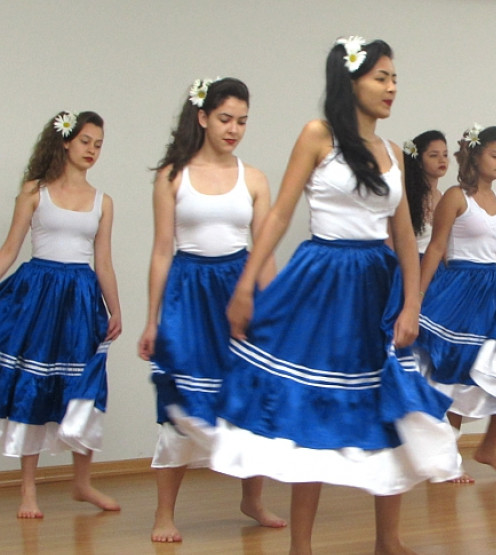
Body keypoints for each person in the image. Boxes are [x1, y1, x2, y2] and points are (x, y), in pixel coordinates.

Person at [212, 37, 461, 555]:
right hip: (323, 280)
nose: (392, 87)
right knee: (314, 403)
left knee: (386, 403)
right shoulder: (317, 135)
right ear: (350, 81)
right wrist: (245, 282)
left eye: (395, 78)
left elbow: (405, 239)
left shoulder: (394, 153)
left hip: (379, 283)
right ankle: (300, 545)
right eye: (381, 77)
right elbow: (279, 213)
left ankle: (387, 540)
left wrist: (412, 304)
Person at [137, 77, 285, 542]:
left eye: (242, 121)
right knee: (181, 402)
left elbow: (263, 251)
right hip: (189, 294)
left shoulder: (255, 178)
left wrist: (276, 312)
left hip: (238, 290)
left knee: (251, 397)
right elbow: (162, 250)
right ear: (202, 117)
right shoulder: (172, 175)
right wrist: (152, 319)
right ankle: (165, 512)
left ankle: (253, 498)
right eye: (225, 119)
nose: (234, 129)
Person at [0, 110, 122, 518]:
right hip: (37, 297)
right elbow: (9, 250)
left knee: (83, 388)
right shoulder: (35, 191)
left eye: (99, 144)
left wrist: (115, 308)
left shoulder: (103, 202)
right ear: (67, 141)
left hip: (82, 300)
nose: (92, 150)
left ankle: (82, 483)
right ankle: (29, 489)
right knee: (34, 385)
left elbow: (102, 261)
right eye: (86, 141)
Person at [415, 124, 496, 483]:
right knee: (454, 377)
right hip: (457, 290)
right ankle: (448, 459)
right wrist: (418, 297)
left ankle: (488, 446)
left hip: (491, 294)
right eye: (495, 156)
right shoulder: (455, 197)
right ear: (476, 156)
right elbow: (435, 248)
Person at [403, 130, 448, 253]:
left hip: (441, 268)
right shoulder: (407, 197)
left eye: (445, 155)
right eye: (434, 155)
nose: (442, 160)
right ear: (419, 161)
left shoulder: (446, 198)